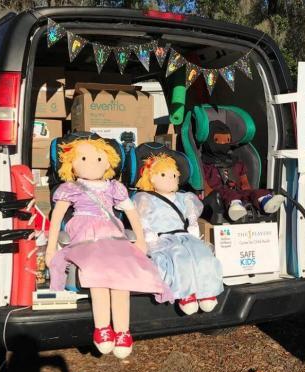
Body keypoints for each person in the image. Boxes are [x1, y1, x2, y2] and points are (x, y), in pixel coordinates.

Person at [45, 137, 172, 359]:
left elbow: (131, 213)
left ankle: (122, 331)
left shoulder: (114, 187)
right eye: (84, 159)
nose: (92, 163)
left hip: (113, 234)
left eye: (98, 158)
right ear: (71, 162)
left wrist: (140, 240)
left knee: (121, 276)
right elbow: (57, 218)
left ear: (108, 162)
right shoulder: (71, 188)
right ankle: (102, 327)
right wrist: (51, 247)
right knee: (97, 273)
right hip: (86, 235)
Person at [133, 153, 224, 315]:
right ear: (151, 178)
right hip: (163, 238)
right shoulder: (146, 198)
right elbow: (142, 218)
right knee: (179, 259)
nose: (171, 178)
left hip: (185, 236)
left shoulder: (185, 197)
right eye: (163, 175)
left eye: (174, 175)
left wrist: (193, 224)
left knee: (203, 256)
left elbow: (191, 215)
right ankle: (186, 294)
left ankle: (207, 292)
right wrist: (148, 233)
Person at [201, 120, 284, 222]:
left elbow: (244, 180)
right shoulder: (205, 165)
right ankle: (235, 206)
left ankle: (265, 201)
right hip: (218, 195)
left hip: (238, 191)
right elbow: (204, 185)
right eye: (218, 140)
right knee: (228, 194)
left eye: (227, 140)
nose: (223, 143)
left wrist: (246, 186)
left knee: (253, 192)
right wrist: (209, 194)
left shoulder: (235, 162)